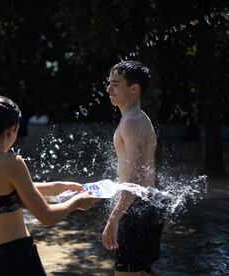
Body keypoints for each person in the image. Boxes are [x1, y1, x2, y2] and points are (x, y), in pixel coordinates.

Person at [0, 95, 99, 276]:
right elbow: (47, 217)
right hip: (14, 259)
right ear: (12, 129)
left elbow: (3, 191)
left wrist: (59, 186)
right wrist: (77, 202)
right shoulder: (12, 162)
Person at [102, 60, 164, 275]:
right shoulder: (135, 118)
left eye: (115, 84)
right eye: (109, 83)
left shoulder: (132, 121)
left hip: (137, 209)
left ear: (134, 88)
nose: (109, 89)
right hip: (143, 207)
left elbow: (136, 176)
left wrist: (114, 218)